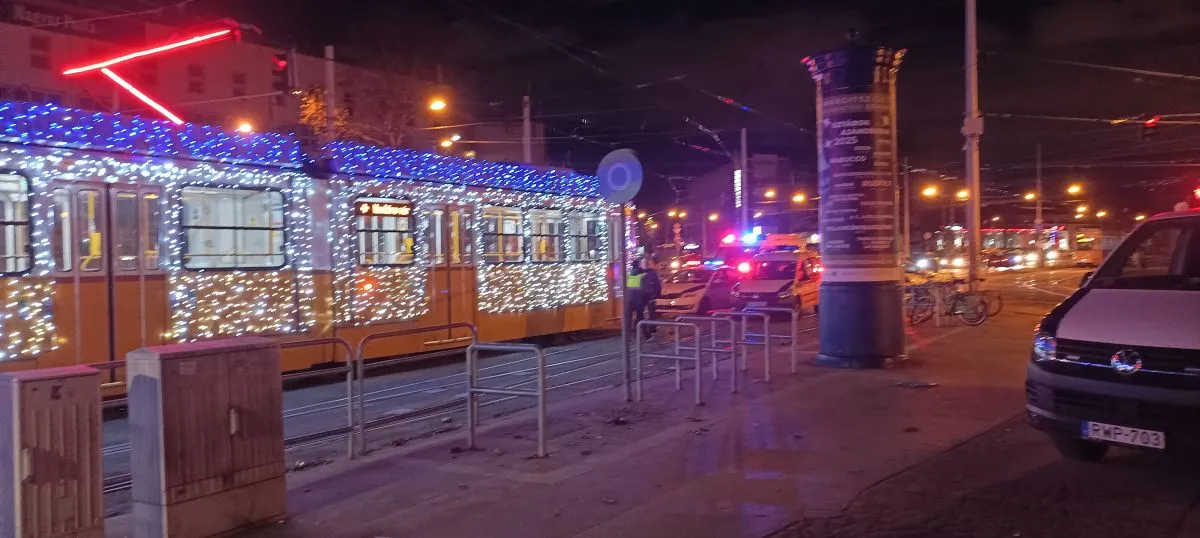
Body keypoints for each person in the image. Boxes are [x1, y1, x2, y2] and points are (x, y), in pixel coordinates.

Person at [639, 256, 662, 339]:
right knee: (650, 313)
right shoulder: (652, 274)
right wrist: (657, 294)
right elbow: (658, 286)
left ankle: (646, 331)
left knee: (644, 314)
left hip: (644, 296)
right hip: (649, 296)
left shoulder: (642, 274)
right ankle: (651, 331)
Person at [624, 258, 647, 336]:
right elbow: (646, 274)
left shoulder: (627, 275)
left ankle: (628, 335)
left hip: (629, 300)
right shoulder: (641, 276)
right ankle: (645, 335)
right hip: (638, 300)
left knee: (629, 318)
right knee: (640, 317)